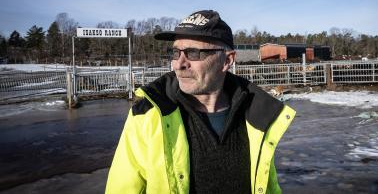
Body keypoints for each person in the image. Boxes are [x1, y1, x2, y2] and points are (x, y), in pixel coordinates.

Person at [105, 10, 296, 194]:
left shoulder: (257, 114)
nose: (179, 64)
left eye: (193, 53)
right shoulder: (148, 115)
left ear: (227, 60)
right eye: (176, 53)